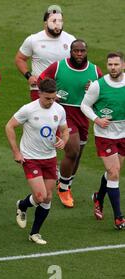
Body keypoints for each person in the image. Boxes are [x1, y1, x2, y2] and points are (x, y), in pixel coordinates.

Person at [39, 39, 102, 208]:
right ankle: (64, 188)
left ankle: (65, 181)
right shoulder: (59, 66)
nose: (79, 54)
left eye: (82, 51)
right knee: (72, 149)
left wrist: (94, 88)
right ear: (70, 51)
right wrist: (53, 94)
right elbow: (41, 79)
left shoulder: (95, 71)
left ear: (86, 51)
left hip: (83, 113)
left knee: (78, 153)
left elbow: (103, 91)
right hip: (64, 112)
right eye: (76, 51)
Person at [6, 78, 69, 245]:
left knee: (47, 198)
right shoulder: (28, 109)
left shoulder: (60, 110)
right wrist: (16, 152)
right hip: (31, 158)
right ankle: (23, 205)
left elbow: (64, 130)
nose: (50, 102)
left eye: (53, 98)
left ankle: (34, 233)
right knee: (40, 196)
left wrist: (64, 140)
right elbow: (9, 126)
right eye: (47, 98)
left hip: (49, 157)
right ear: (39, 93)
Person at [80, 52, 125, 228]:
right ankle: (119, 217)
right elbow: (85, 105)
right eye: (110, 65)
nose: (113, 68)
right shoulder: (98, 85)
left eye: (116, 64)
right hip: (105, 135)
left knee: (114, 171)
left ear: (122, 65)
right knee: (114, 172)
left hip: (123, 133)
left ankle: (98, 197)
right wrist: (97, 119)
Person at [15, 5, 76, 101]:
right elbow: (20, 58)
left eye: (60, 21)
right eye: (54, 21)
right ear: (45, 23)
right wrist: (29, 76)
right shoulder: (33, 40)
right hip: (40, 89)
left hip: (64, 90)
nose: (58, 24)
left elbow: (77, 63)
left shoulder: (71, 40)